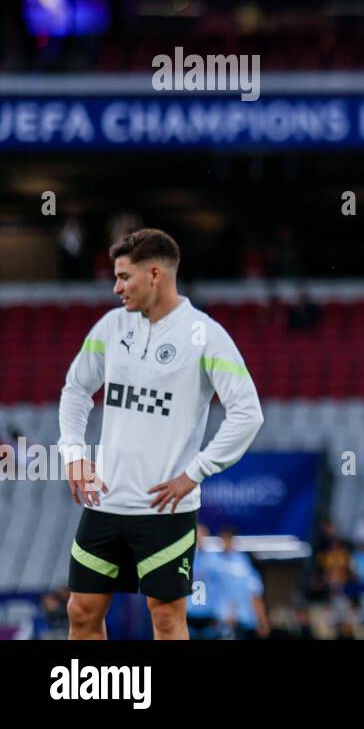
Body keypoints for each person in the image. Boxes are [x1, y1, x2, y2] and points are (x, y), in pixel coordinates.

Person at [58, 228, 264, 640]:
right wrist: (74, 456)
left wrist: (196, 471)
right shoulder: (111, 327)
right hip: (105, 501)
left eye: (124, 277)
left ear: (155, 274)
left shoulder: (205, 336)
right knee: (81, 612)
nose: (116, 287)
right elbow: (76, 389)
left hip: (165, 509)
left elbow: (248, 413)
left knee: (167, 618)